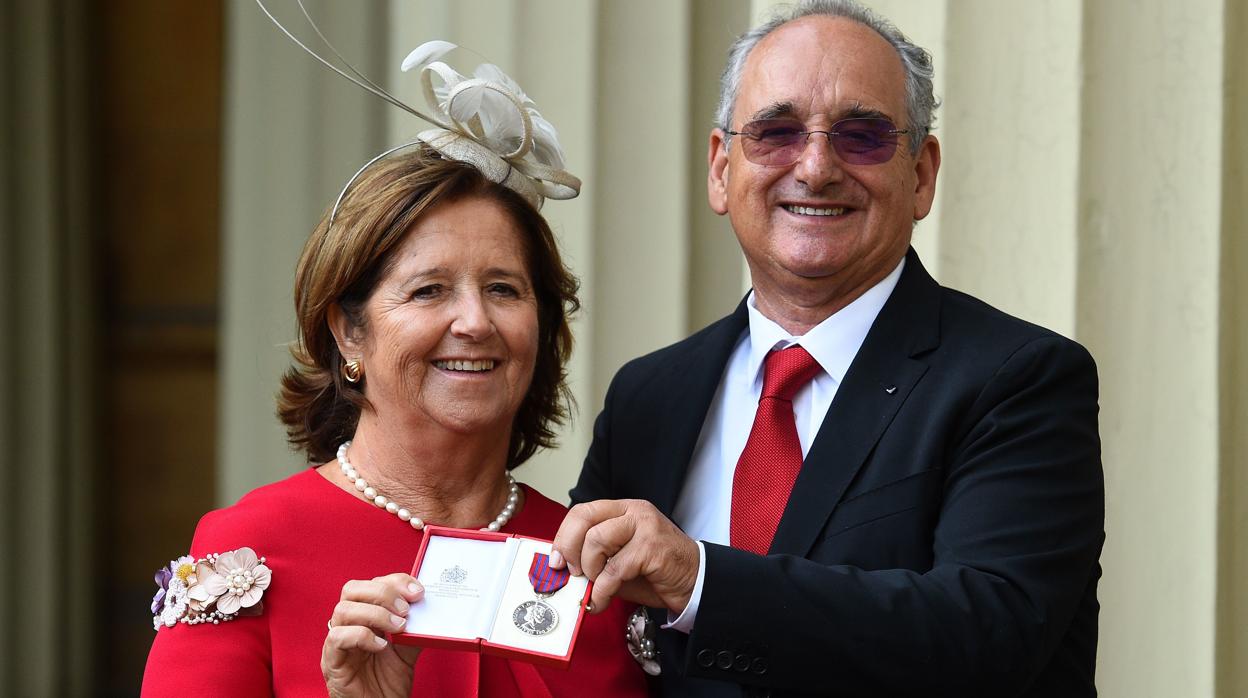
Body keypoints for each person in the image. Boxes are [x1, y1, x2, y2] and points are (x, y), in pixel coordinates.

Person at [551, 1, 1104, 696]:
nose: (815, 167)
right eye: (776, 132)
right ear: (722, 170)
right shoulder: (649, 396)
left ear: (922, 174)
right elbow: (579, 634)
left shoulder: (1016, 379)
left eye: (862, 136)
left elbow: (988, 634)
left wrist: (704, 582)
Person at [142, 36, 651, 698]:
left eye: (503, 288)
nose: (474, 321)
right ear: (348, 332)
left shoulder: (591, 565)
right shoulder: (248, 551)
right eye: (429, 290)